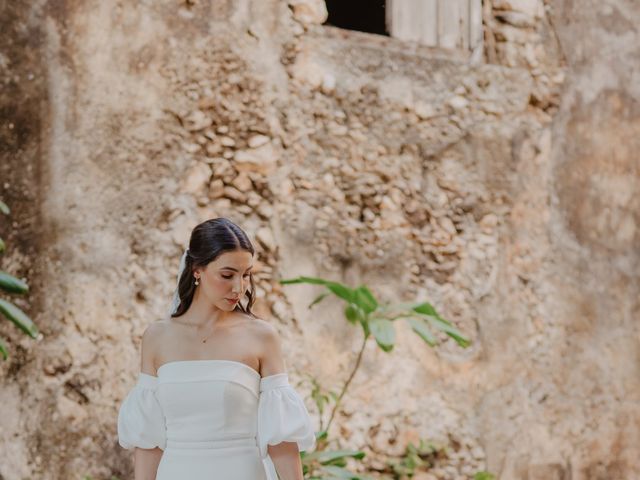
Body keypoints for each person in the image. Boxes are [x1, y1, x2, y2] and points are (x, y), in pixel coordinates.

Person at [117, 217, 316, 479]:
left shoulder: (261, 337)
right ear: (197, 270)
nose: (239, 288)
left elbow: (280, 441)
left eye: (246, 275)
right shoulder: (157, 337)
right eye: (227, 275)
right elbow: (149, 443)